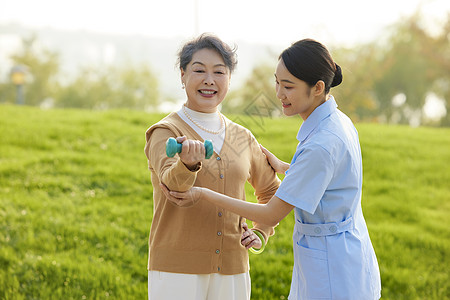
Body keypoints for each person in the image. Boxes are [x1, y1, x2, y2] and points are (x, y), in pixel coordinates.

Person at [161, 39, 382, 300]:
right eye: (277, 82)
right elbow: (331, 177)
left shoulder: (321, 144)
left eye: (288, 86)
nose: (279, 94)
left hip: (333, 270)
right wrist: (291, 168)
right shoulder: (339, 122)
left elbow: (271, 211)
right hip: (345, 256)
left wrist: (204, 194)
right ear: (183, 74)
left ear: (318, 87)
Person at [144, 33, 280, 300]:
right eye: (199, 70)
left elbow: (272, 192)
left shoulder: (242, 136)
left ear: (229, 79)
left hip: (233, 268)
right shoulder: (166, 132)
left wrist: (261, 232)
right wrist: (187, 164)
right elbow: (172, 186)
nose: (209, 80)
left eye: (219, 72)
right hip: (176, 270)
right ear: (182, 75)